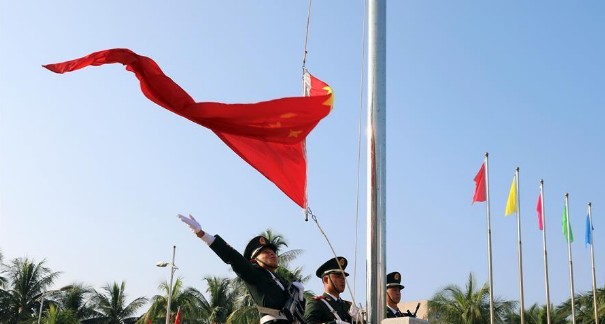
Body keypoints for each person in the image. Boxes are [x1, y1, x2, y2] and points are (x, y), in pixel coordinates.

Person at [178, 214, 304, 324]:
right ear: (254, 260)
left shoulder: (282, 282)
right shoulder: (254, 275)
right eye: (266, 252)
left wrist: (300, 297)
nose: (272, 254)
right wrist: (202, 234)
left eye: (273, 252)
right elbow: (233, 257)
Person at [304, 257, 360, 324]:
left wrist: (359, 320)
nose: (343, 280)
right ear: (325, 279)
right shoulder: (317, 303)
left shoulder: (348, 306)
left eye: (344, 277)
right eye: (338, 277)